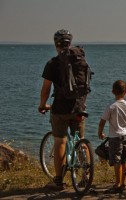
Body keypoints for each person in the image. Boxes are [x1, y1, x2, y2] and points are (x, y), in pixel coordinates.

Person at [38, 29, 88, 190]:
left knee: (60, 141)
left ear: (56, 44)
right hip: (79, 107)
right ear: (70, 43)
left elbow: (46, 89)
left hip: (59, 109)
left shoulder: (53, 63)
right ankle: (86, 176)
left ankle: (58, 180)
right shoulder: (80, 60)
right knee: (80, 140)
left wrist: (42, 104)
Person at [98, 80, 126, 192]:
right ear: (125, 92)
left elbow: (102, 121)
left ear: (113, 91)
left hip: (115, 137)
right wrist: (125, 125)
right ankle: (124, 183)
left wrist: (100, 132)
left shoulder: (111, 106)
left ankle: (117, 184)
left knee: (117, 160)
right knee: (125, 159)